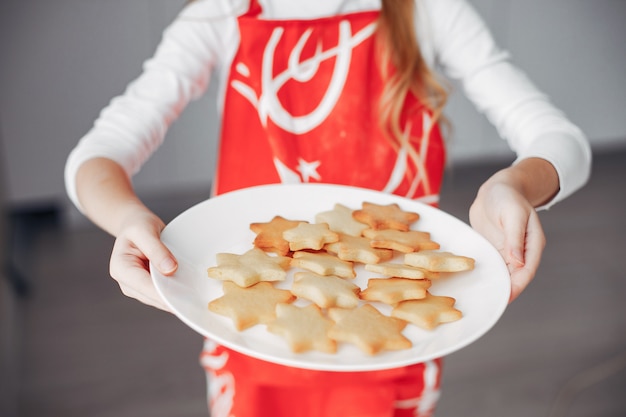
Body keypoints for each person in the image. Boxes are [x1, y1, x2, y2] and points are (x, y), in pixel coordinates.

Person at [64, 0, 591, 416]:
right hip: (253, 337)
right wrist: (128, 219)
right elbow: (96, 155)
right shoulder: (222, 14)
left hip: (391, 340)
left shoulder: (428, 10)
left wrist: (516, 185)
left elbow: (560, 140)